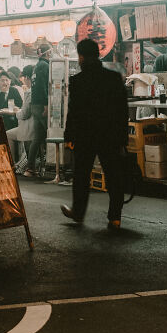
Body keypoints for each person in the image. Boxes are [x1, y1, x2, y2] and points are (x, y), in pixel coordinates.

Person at [60, 39, 128, 230]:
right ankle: (115, 217)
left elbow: (73, 112)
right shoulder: (113, 78)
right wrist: (122, 138)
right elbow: (122, 111)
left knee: (81, 175)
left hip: (85, 136)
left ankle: (78, 213)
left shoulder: (78, 81)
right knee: (114, 176)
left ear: (81, 56)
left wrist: (69, 136)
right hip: (110, 136)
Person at [24, 42, 51, 177]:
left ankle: (30, 168)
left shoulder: (36, 66)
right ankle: (53, 168)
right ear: (48, 53)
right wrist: (46, 105)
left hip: (35, 105)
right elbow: (42, 86)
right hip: (41, 105)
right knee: (51, 136)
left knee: (38, 137)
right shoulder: (44, 66)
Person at [6, 65, 35, 171]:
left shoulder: (30, 92)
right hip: (36, 126)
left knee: (8, 134)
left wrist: (17, 112)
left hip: (28, 127)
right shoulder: (41, 89)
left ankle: (13, 163)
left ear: (27, 77)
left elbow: (25, 114)